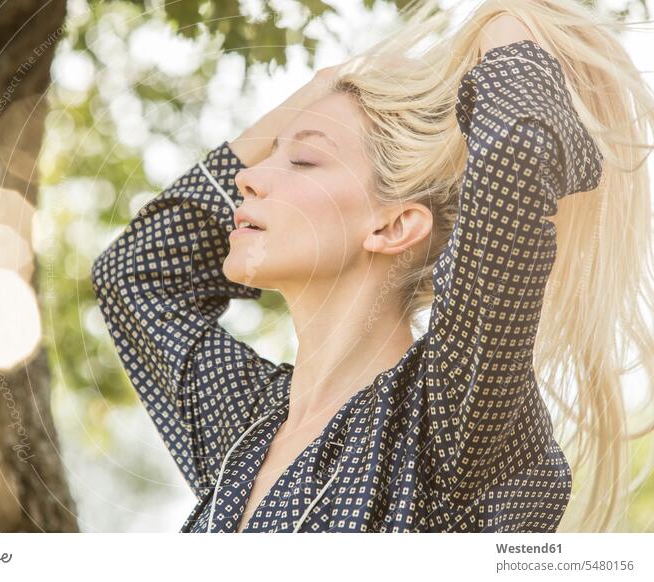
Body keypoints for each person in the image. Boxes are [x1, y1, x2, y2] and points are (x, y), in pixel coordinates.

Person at [91, 0, 654, 532]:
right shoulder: (246, 426)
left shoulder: (448, 414)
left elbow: (515, 155)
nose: (247, 176)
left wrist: (498, 18)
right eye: (269, 153)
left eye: (304, 159)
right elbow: (135, 275)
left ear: (393, 226)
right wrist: (316, 91)